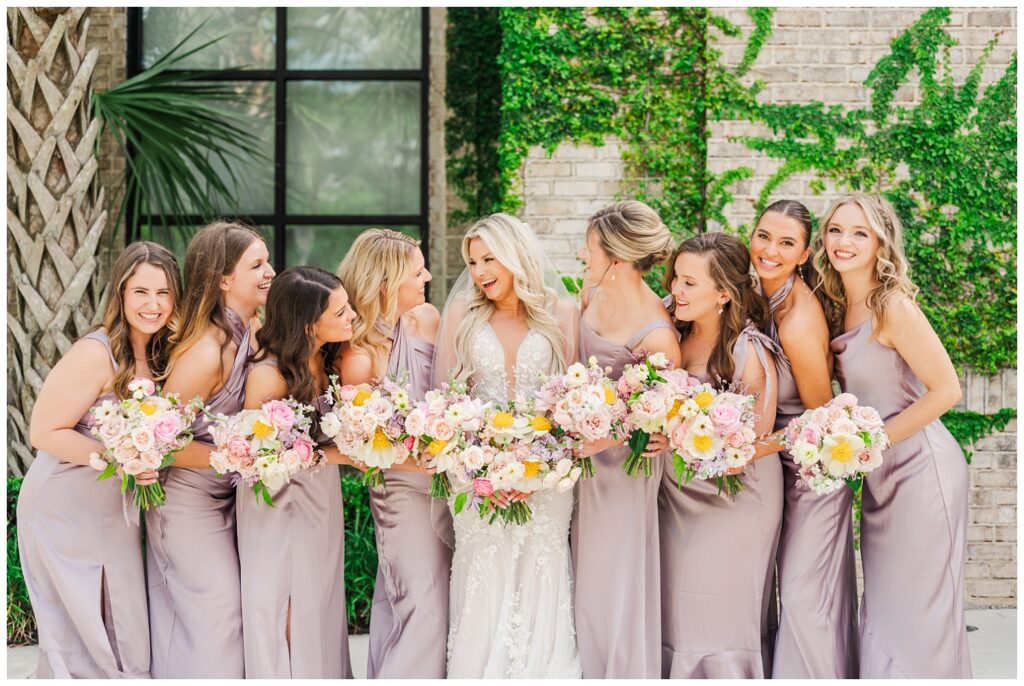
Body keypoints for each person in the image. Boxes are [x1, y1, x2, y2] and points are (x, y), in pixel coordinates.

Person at [819, 193, 970, 677]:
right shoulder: (839, 305)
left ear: (881, 243)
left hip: (923, 474)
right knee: (885, 608)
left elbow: (947, 390)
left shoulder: (893, 307)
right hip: (882, 477)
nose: (844, 242)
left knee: (918, 614)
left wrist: (869, 443)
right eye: (836, 230)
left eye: (860, 233)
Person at [17, 242, 180, 678]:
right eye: (141, 292)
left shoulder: (165, 353)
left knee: (121, 623)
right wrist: (124, 455)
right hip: (64, 509)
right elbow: (43, 432)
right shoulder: (95, 352)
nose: (153, 304)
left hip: (115, 511)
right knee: (83, 636)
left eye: (164, 293)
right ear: (121, 294)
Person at [433, 213, 581, 677]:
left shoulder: (564, 312)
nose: (478, 272)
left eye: (488, 258)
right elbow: (445, 407)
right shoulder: (461, 315)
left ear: (516, 255)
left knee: (543, 571)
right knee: (484, 575)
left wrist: (538, 469)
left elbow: (572, 406)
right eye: (473, 261)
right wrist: (480, 475)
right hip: (477, 476)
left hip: (549, 478)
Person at [146, 221, 274, 678]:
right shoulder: (204, 350)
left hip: (227, 498)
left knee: (228, 614)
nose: (270, 272)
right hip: (185, 504)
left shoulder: (252, 331)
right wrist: (241, 457)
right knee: (217, 612)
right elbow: (159, 447)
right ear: (223, 279)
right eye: (257, 265)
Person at [654, 232, 783, 678]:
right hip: (676, 496)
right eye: (676, 278)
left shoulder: (751, 353)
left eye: (690, 283)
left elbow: (754, 441)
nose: (676, 290)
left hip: (735, 498)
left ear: (724, 294)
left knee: (716, 608)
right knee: (678, 607)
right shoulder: (670, 337)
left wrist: (680, 438)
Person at [569, 201, 680, 678]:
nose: (582, 254)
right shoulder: (591, 293)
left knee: (614, 575)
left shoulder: (658, 332)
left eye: (590, 247)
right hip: (582, 464)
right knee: (582, 572)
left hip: (624, 470)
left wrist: (606, 434)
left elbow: (658, 415)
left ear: (616, 257)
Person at [336, 229, 452, 678]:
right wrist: (422, 458)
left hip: (450, 485)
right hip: (401, 494)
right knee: (423, 605)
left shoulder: (427, 319)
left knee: (442, 602)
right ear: (385, 282)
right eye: (416, 270)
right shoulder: (358, 357)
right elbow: (361, 447)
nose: (426, 275)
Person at [236, 266, 357, 678]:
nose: (351, 316)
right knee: (286, 602)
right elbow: (261, 457)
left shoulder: (325, 359)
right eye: (340, 312)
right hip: (279, 508)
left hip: (319, 500)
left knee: (320, 599)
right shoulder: (269, 374)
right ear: (308, 324)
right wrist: (341, 455)